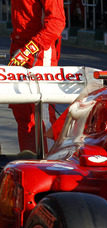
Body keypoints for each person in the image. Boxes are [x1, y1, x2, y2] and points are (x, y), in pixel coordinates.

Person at [8, 0, 66, 153]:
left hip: (39, 54)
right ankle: (27, 164)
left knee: (41, 116)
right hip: (18, 49)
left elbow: (56, 23)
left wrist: (29, 50)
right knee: (23, 115)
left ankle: (49, 167)